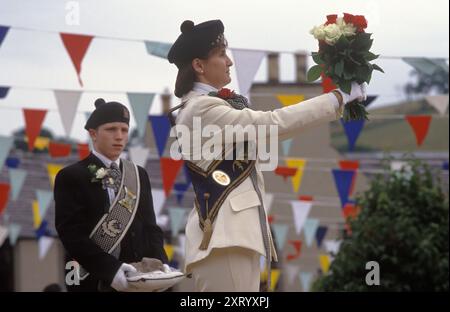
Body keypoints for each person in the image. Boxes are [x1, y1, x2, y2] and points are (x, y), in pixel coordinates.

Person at [167, 19, 367, 292]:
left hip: (231, 238)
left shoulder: (206, 105)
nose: (229, 62)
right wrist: (337, 98)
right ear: (199, 66)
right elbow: (273, 123)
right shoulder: (203, 108)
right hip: (225, 240)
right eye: (221, 55)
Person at [54, 99, 169, 292]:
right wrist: (110, 270)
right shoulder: (71, 176)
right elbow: (71, 234)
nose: (119, 136)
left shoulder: (138, 175)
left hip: (139, 280)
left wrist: (160, 262)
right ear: (93, 134)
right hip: (93, 281)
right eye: (111, 129)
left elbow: (151, 228)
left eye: (124, 130)